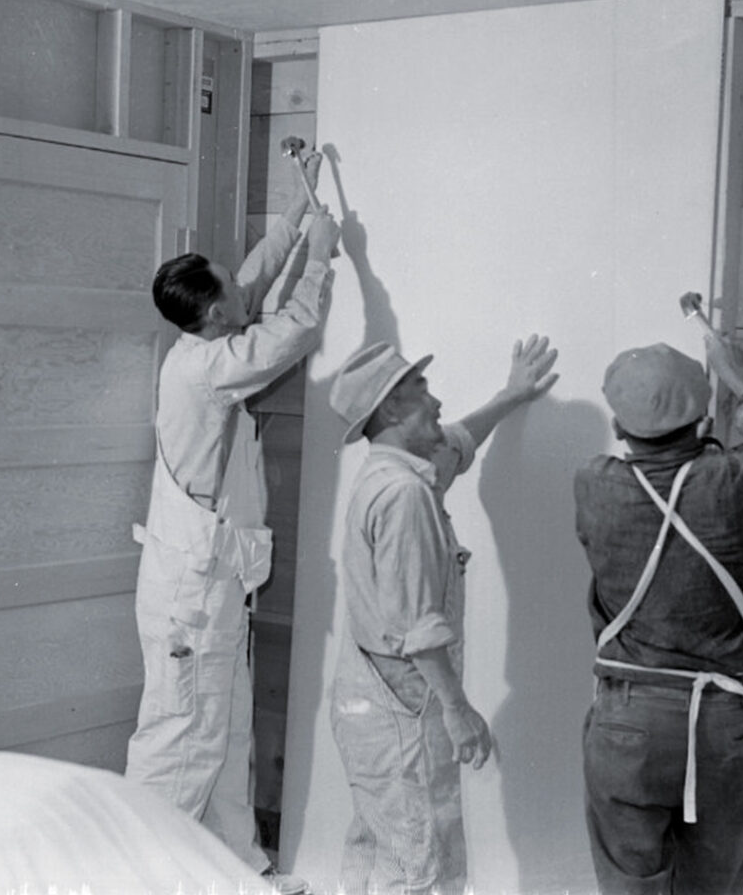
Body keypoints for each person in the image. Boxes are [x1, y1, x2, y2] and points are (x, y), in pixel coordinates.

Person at [125, 151, 341, 895]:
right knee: (183, 741)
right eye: (229, 292)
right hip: (194, 593)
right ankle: (134, 878)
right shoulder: (209, 368)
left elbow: (249, 282)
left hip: (205, 586)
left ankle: (237, 874)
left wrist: (296, 215)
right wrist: (322, 255)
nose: (240, 289)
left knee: (222, 729)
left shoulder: (206, 336)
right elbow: (294, 328)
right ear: (214, 315)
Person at [327, 335, 559, 895]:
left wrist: (510, 396)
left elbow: (455, 440)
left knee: (381, 847)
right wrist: (458, 712)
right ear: (390, 409)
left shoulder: (398, 471)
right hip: (404, 706)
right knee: (420, 870)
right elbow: (419, 627)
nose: (435, 401)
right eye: (420, 388)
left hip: (371, 698)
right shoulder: (406, 495)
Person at [574, 331, 743, 895]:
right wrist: (739, 379)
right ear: (704, 425)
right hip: (722, 721)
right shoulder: (738, 481)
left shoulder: (595, 485)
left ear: (619, 428)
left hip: (628, 722)